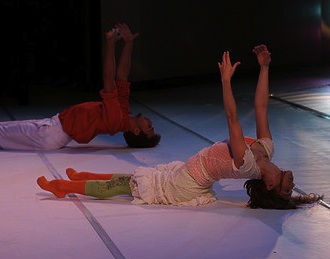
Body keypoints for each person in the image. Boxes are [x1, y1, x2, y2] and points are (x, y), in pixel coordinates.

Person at [37, 45, 322, 209]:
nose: (292, 184)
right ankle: (82, 175)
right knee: (134, 177)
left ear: (270, 185)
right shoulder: (267, 149)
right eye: (292, 189)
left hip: (185, 184)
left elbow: (233, 118)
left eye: (286, 190)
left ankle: (63, 186)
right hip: (189, 171)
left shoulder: (247, 164)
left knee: (125, 185)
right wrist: (264, 67)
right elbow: (261, 107)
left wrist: (225, 82)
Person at [0, 23, 161, 150]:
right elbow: (121, 77)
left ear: (137, 131)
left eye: (150, 127)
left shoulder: (116, 120)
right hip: (52, 129)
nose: (150, 122)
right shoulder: (124, 112)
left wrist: (110, 43)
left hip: (51, 133)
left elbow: (108, 78)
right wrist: (129, 43)